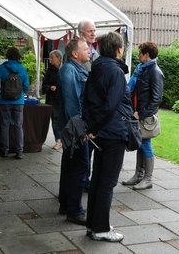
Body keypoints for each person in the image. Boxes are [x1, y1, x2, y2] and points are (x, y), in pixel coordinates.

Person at [82, 31, 133, 242]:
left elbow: (86, 99)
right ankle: (101, 229)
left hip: (101, 131)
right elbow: (111, 105)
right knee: (107, 182)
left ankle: (94, 224)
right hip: (112, 132)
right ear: (119, 49)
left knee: (97, 180)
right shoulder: (115, 72)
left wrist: (91, 127)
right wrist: (97, 126)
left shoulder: (96, 68)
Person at [122, 41, 164, 190]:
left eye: (140, 53)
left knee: (144, 144)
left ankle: (148, 179)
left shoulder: (154, 72)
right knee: (140, 143)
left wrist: (141, 113)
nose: (138, 55)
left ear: (147, 55)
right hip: (138, 113)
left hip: (145, 116)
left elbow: (157, 98)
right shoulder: (143, 69)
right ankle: (139, 176)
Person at [58, 36, 90, 226]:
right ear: (74, 54)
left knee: (71, 167)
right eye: (85, 48)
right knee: (80, 167)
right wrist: (81, 131)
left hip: (74, 128)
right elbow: (72, 104)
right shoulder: (69, 70)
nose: (89, 50)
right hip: (76, 129)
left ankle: (66, 204)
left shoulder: (76, 69)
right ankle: (75, 210)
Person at [0, 47, 29, 159]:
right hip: (19, 101)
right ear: (18, 56)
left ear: (7, 56)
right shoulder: (22, 69)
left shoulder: (3, 68)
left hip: (5, 101)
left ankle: (4, 150)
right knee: (19, 126)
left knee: (5, 125)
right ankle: (19, 151)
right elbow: (26, 86)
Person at [78, 19, 98, 190]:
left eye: (94, 30)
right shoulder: (79, 54)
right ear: (81, 33)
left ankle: (86, 179)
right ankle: (82, 181)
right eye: (90, 31)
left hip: (93, 109)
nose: (93, 33)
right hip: (84, 111)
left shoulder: (95, 52)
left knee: (89, 150)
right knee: (82, 153)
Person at [42, 49, 63, 150]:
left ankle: (64, 139)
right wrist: (50, 87)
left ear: (58, 58)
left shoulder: (66, 69)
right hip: (52, 99)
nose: (50, 60)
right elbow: (44, 85)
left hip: (63, 99)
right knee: (55, 120)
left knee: (64, 120)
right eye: (50, 58)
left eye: (52, 58)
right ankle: (58, 140)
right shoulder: (49, 71)